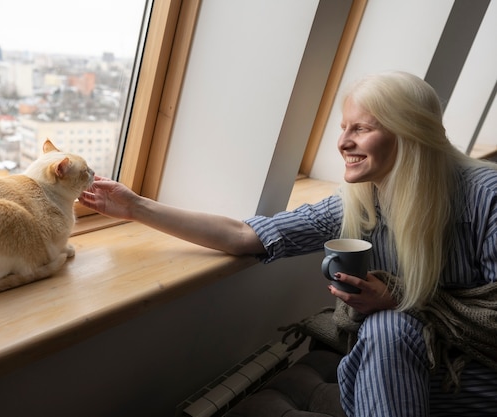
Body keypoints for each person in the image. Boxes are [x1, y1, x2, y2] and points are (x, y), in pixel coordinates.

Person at [79, 71, 497, 416]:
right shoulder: (360, 202)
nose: (343, 142)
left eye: (361, 129)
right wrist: (136, 208)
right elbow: (248, 236)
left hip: (479, 371)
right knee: (389, 331)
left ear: (410, 132)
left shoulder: (485, 195)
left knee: (389, 326)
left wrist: (400, 300)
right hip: (400, 369)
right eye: (343, 128)